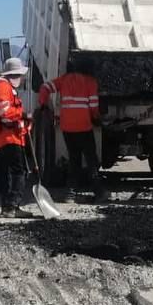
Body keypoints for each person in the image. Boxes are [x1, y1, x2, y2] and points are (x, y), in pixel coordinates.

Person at [37, 61, 107, 203]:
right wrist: (97, 119)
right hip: (84, 127)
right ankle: (99, 192)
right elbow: (94, 106)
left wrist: (43, 104)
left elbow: (44, 87)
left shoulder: (64, 80)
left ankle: (70, 194)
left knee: (74, 160)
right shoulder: (91, 82)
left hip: (67, 128)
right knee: (91, 160)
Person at [0, 57, 31, 217]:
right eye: (19, 75)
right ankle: (12, 206)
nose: (20, 78)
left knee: (6, 172)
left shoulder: (3, 86)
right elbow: (5, 113)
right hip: (8, 137)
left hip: (6, 137)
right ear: (13, 74)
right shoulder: (3, 87)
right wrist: (24, 114)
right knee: (18, 171)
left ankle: (7, 207)